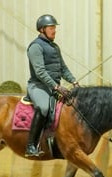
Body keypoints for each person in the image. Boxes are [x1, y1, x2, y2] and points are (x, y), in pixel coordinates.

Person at [25, 14, 79, 157]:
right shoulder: (35, 47)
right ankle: (31, 145)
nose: (54, 30)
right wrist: (56, 86)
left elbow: (63, 68)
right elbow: (40, 72)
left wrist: (74, 81)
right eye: (51, 28)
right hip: (38, 86)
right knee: (43, 108)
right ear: (42, 29)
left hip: (53, 87)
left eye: (54, 27)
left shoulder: (55, 47)